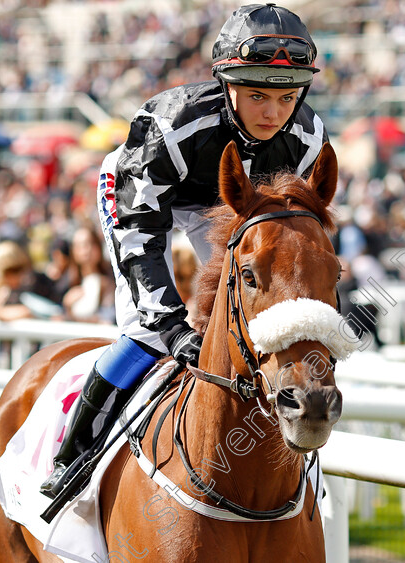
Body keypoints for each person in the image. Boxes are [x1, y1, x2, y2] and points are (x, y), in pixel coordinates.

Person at [41, 3, 328, 496]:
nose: (273, 113)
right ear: (225, 82)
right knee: (149, 328)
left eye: (286, 97)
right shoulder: (172, 124)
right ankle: (73, 456)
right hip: (144, 197)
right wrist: (170, 322)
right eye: (256, 94)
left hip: (225, 202)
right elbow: (140, 229)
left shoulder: (306, 139)